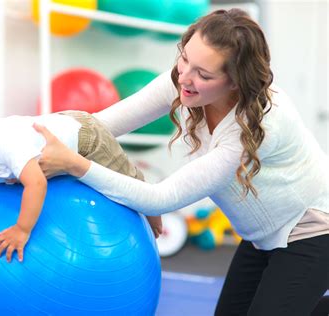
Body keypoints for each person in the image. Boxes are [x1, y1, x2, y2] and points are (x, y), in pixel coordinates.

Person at [32, 8, 329, 316]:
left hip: (312, 231)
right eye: (185, 58)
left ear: (235, 82)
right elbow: (98, 126)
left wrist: (75, 164)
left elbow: (162, 198)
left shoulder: (258, 126)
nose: (184, 77)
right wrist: (14, 140)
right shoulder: (180, 82)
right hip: (261, 236)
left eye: (204, 74)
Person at [0, 82, 162, 263]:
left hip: (84, 136)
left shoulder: (8, 144)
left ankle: (151, 206)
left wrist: (22, 229)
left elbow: (36, 185)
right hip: (52, 129)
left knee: (122, 176)